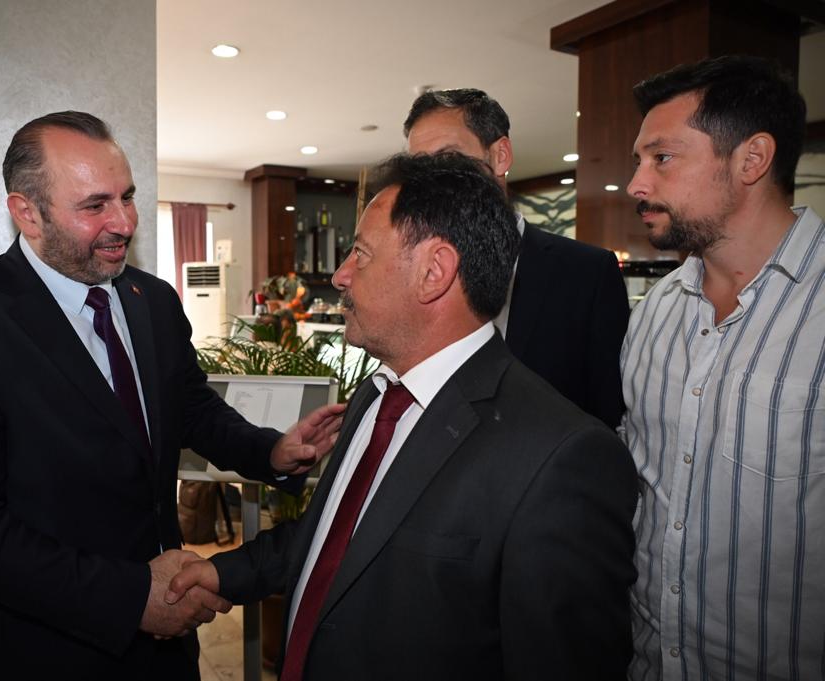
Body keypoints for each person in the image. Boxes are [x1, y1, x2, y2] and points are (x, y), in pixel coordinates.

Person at [0, 111, 344, 680]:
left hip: (165, 648)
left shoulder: (152, 300)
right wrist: (129, 598)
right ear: (26, 212)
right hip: (38, 652)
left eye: (127, 197)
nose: (124, 222)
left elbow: (189, 407)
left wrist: (269, 452)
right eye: (95, 205)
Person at [169, 153, 638, 680]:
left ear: (433, 273)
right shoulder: (377, 395)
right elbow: (333, 537)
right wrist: (219, 572)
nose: (340, 275)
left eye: (361, 254)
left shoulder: (561, 457)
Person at [622, 55, 823, 680]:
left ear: (751, 159)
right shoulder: (655, 312)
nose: (635, 184)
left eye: (662, 158)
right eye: (639, 160)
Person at [403, 89, 630, 428]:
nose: (434, 180)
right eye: (420, 168)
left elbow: (606, 414)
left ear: (500, 155)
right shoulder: (412, 273)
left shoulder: (586, 274)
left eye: (449, 157)